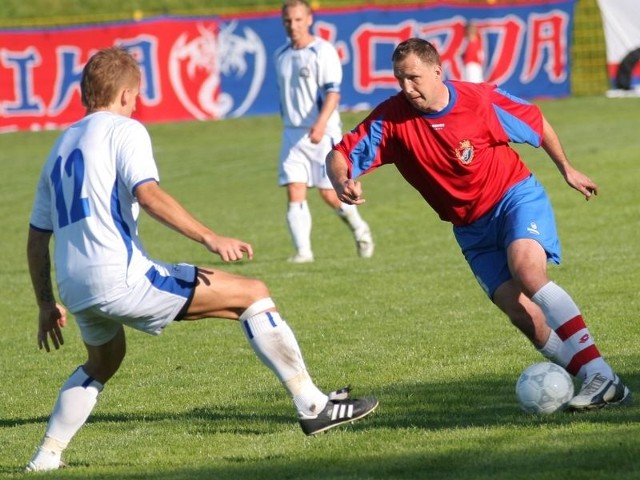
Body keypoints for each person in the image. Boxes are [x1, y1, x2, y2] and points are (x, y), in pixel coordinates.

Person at [25, 46, 378, 472]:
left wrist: (46, 302)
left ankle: (45, 457)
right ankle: (313, 406)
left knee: (104, 361)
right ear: (124, 96)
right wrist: (210, 237)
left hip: (75, 284)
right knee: (253, 295)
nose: (136, 104)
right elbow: (148, 194)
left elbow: (36, 236)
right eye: (136, 96)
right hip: (120, 276)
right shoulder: (125, 130)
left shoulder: (60, 147)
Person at [326, 38, 631, 411]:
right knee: (521, 314)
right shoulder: (392, 119)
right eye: (399, 79)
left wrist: (566, 168)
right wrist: (342, 181)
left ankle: (599, 372)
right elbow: (339, 154)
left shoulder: (479, 100)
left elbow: (535, 120)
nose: (407, 88)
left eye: (414, 78)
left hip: (514, 198)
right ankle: (601, 383)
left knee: (528, 274)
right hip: (470, 227)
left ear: (438, 71)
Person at [274, 0, 374, 263]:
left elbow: (333, 92)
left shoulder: (322, 51)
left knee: (329, 194)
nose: (292, 26)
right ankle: (303, 253)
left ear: (309, 19)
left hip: (322, 131)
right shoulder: (281, 55)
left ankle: (360, 229)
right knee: (294, 190)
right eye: (288, 21)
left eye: (298, 20)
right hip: (292, 134)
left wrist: (320, 124)